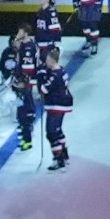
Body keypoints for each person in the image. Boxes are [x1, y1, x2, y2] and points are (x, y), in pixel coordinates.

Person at [2, 21, 42, 152]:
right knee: (21, 108)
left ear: (25, 33)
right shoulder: (23, 46)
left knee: (25, 109)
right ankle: (24, 129)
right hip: (21, 82)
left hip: (25, 83)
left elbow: (29, 67)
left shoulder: (29, 47)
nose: (18, 34)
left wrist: (22, 80)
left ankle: (27, 137)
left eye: (20, 32)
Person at [38, 43, 75, 171]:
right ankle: (64, 153)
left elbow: (43, 89)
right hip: (63, 103)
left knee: (51, 133)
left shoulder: (54, 75)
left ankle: (58, 159)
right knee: (57, 130)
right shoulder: (62, 70)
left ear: (51, 59)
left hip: (56, 105)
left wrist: (40, 75)